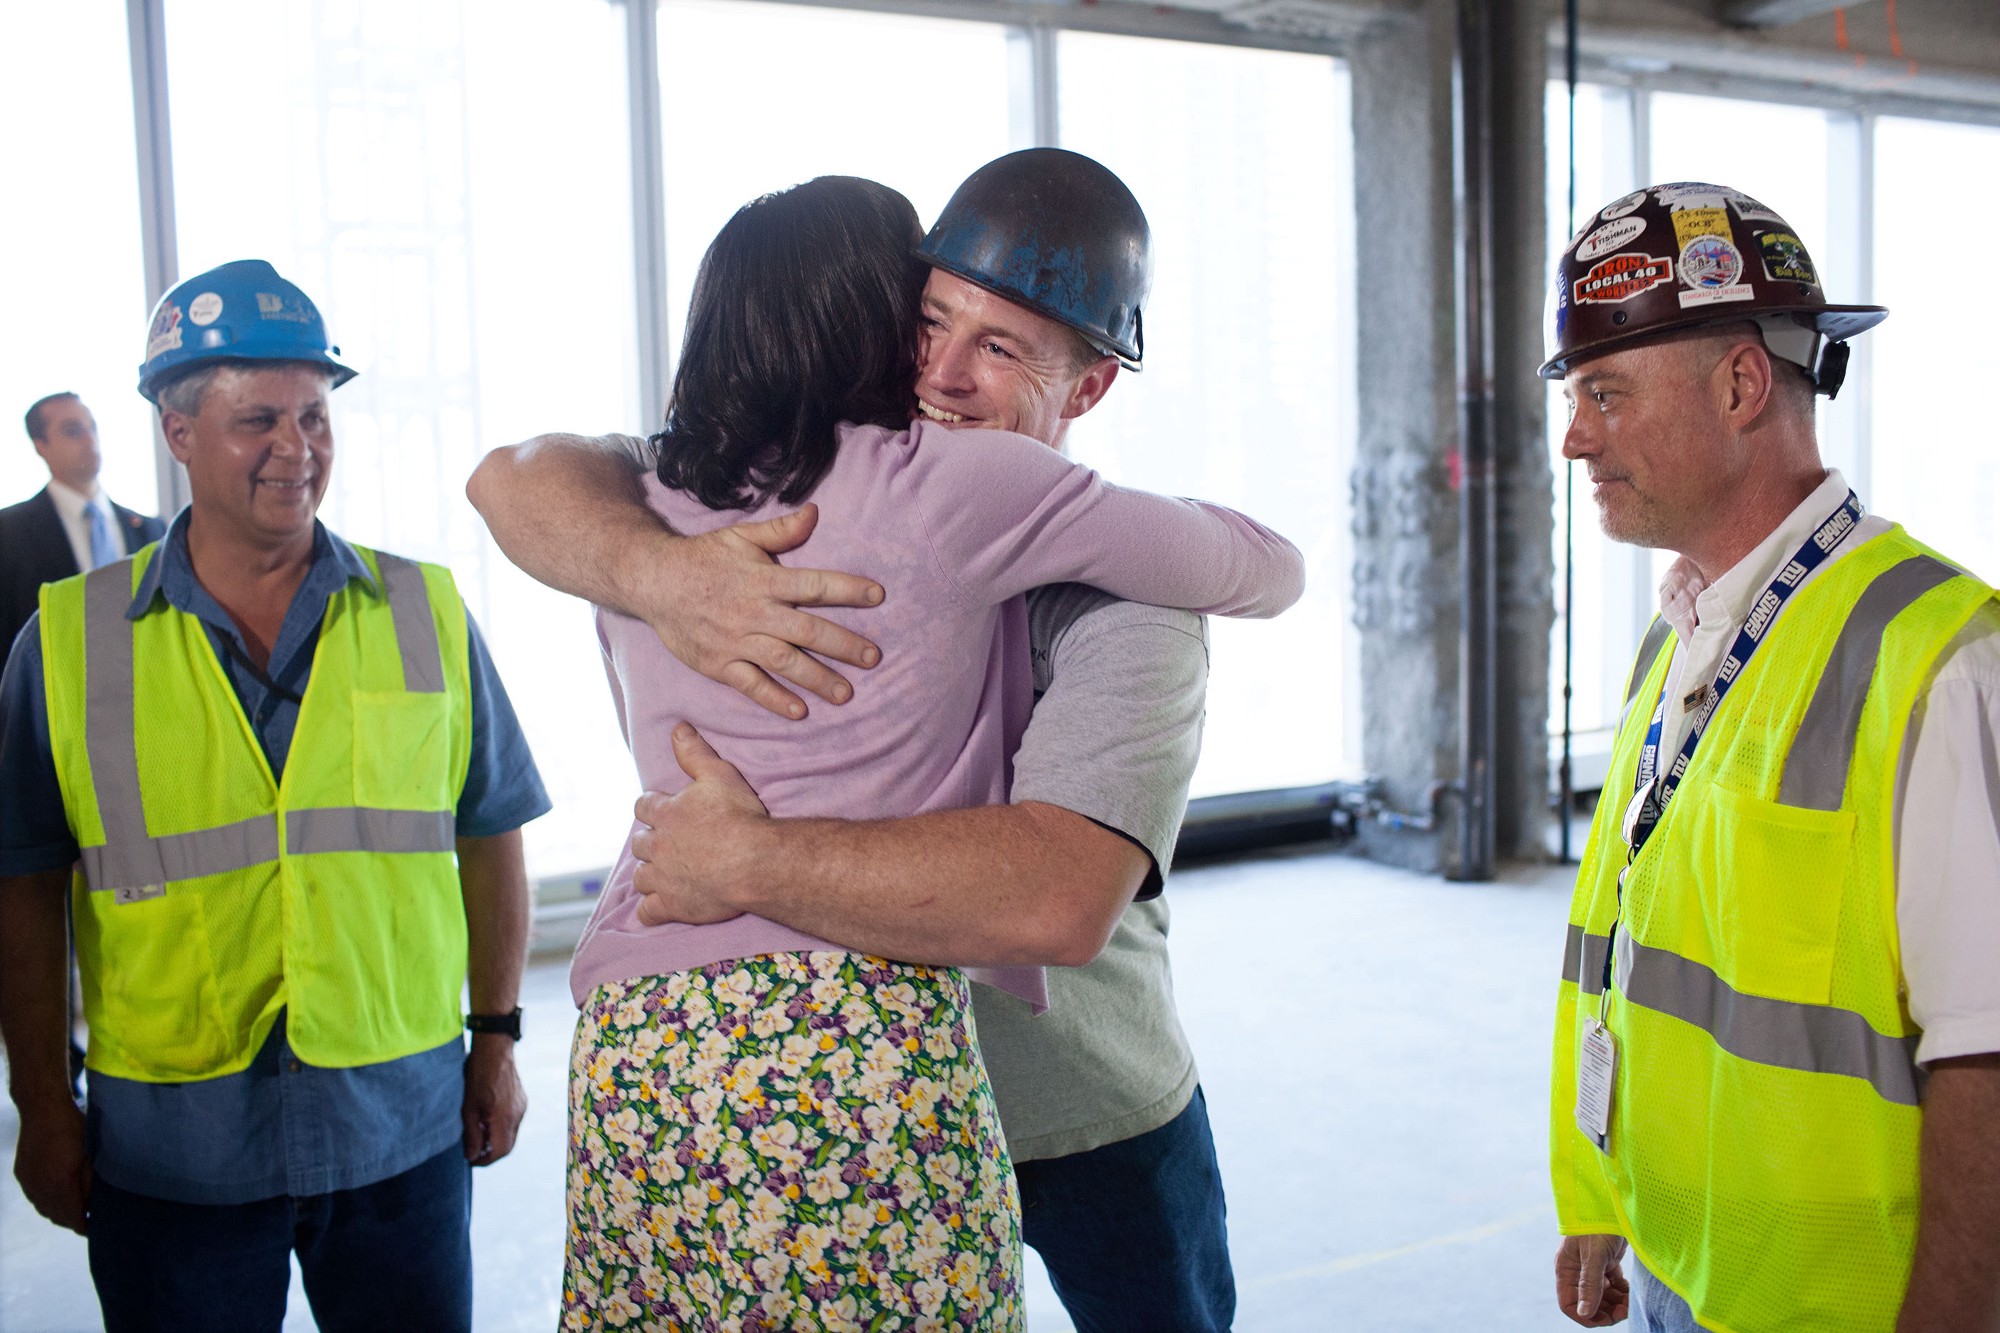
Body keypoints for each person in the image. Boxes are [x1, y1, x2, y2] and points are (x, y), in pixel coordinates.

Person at [470, 149, 1247, 1331]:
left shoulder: (1131, 604)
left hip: (1076, 1099)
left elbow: (1052, 898)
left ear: (1084, 389)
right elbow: (523, 478)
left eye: (999, 348)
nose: (940, 373)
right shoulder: (750, 515)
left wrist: (743, 863)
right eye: (927, 321)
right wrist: (660, 573)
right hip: (859, 1087)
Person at [0, 259, 550, 1333]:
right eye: (258, 418)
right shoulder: (65, 642)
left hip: (400, 1127)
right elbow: (23, 888)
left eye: (313, 414)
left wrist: (495, 1043)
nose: (297, 447)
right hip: (171, 1149)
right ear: (176, 432)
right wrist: (40, 1106)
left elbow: (490, 834)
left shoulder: (422, 611)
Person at [1544, 184, 2000, 1332]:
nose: (1573, 436)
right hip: (1678, 1265)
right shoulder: (1679, 632)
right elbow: (1635, 938)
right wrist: (1603, 1193)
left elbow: (1986, 1063)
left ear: (1741, 386)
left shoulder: (1937, 660)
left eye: (1603, 392)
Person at [1, 393, 166, 665]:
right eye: (72, 431)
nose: (89, 440)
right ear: (40, 445)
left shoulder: (150, 530)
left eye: (92, 428)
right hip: (51, 695)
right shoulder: (8, 533)